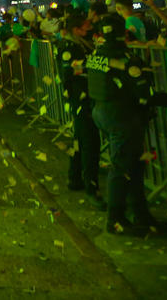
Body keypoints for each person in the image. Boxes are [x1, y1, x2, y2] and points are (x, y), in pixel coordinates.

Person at [87, 13, 167, 235]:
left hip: (103, 113)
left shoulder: (96, 55)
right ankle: (116, 220)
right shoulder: (126, 60)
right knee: (123, 169)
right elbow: (146, 95)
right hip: (123, 117)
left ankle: (141, 214)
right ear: (123, 32)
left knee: (134, 166)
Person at [56, 14, 104, 210]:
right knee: (90, 143)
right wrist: (98, 66)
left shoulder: (80, 44)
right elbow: (70, 72)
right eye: (86, 27)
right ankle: (92, 188)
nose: (89, 30)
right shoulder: (70, 47)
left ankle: (74, 178)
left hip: (84, 98)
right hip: (81, 99)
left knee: (80, 140)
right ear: (76, 29)